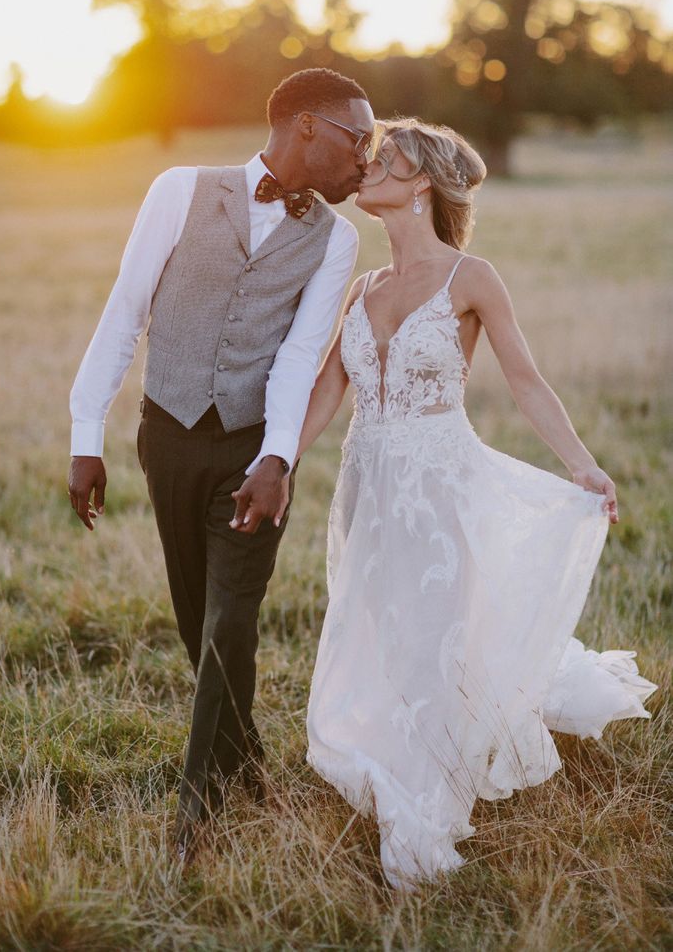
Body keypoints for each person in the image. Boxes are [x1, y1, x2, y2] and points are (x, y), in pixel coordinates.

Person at [278, 117, 657, 890]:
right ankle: (398, 753)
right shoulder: (364, 287)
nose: (371, 165)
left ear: (421, 185)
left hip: (440, 490)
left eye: (389, 159)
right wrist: (278, 462)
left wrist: (583, 465)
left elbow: (525, 381)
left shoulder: (470, 278)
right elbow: (326, 389)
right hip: (370, 492)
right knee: (383, 636)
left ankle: (430, 799)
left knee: (437, 640)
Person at [68, 68, 375, 856]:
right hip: (166, 438)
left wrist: (276, 458)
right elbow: (125, 310)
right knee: (198, 623)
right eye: (357, 139)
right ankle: (250, 772)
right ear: (306, 126)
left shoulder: (338, 239)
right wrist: (85, 435)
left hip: (253, 451)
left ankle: (193, 816)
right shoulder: (178, 188)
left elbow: (302, 354)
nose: (366, 161)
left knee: (229, 618)